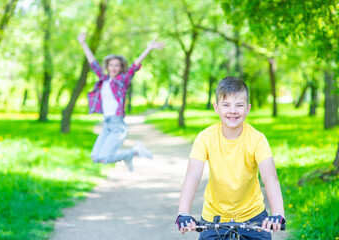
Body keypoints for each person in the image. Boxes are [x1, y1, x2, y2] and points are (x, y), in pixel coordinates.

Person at [175, 76, 286, 239]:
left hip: (253, 216)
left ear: (247, 109)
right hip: (214, 217)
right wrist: (183, 212)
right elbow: (193, 175)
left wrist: (278, 213)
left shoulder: (257, 139)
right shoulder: (205, 138)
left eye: (239, 105)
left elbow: (270, 178)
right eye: (226, 105)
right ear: (216, 107)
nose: (232, 110)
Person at [77, 33, 164, 172]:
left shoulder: (122, 81)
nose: (113, 68)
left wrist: (149, 48)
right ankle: (128, 156)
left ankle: (134, 152)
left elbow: (135, 66)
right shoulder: (104, 79)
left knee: (106, 158)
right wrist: (83, 43)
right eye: (111, 65)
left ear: (121, 68)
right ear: (107, 66)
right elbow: (93, 63)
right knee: (95, 157)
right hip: (107, 124)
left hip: (117, 125)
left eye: (117, 65)